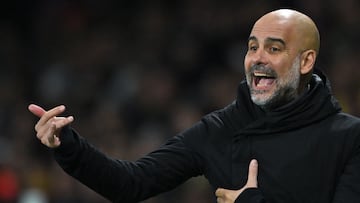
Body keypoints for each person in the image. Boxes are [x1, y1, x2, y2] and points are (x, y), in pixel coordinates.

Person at [28, 8, 360, 203]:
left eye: (273, 49)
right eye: (252, 47)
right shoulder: (219, 131)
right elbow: (131, 183)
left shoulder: (350, 139)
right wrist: (68, 147)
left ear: (306, 62)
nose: (257, 58)